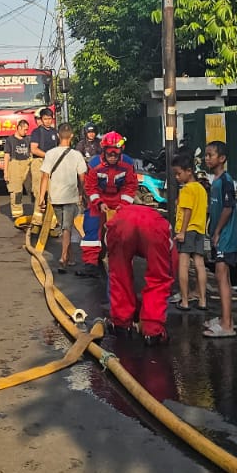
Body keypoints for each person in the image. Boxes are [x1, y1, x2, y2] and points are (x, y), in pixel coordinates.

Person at [102, 185, 173, 343]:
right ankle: (152, 331)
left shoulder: (118, 218)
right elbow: (167, 269)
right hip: (154, 228)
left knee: (119, 275)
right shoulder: (160, 221)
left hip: (121, 225)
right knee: (159, 278)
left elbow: (114, 260)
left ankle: (121, 324)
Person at [79, 131, 137, 275]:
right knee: (91, 227)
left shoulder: (128, 164)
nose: (112, 157)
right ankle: (90, 263)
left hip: (119, 200)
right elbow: (90, 187)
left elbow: (130, 186)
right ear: (103, 151)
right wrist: (98, 202)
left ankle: (122, 261)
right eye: (109, 154)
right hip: (99, 200)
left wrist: (123, 205)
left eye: (115, 154)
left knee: (123, 231)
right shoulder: (94, 164)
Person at [38, 126, 87, 274]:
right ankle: (65, 257)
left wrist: (41, 198)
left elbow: (44, 177)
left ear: (58, 136)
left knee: (65, 227)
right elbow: (82, 177)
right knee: (67, 227)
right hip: (70, 196)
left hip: (55, 197)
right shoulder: (77, 155)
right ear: (71, 136)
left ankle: (67, 257)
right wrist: (82, 194)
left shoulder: (50, 154)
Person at [203, 141, 237, 340]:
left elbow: (228, 207)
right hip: (219, 234)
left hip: (225, 235)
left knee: (222, 275)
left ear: (222, 158)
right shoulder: (216, 180)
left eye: (211, 155)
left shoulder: (226, 180)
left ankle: (227, 325)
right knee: (221, 277)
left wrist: (216, 231)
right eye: (206, 155)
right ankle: (227, 318)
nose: (207, 158)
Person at [171, 154, 209, 316]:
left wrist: (182, 232)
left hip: (187, 230)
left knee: (184, 265)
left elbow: (187, 211)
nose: (177, 177)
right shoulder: (201, 189)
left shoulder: (187, 189)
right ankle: (202, 300)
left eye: (179, 173)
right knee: (200, 264)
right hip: (200, 230)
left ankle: (185, 301)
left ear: (189, 171)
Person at [26, 109, 58, 223]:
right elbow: (34, 149)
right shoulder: (37, 132)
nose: (48, 121)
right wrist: (48, 155)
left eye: (49, 119)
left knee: (53, 192)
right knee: (39, 192)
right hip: (39, 162)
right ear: (41, 119)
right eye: (45, 119)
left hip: (52, 164)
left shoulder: (55, 132)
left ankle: (52, 223)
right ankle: (37, 222)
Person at [3, 119, 33, 222]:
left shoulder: (28, 139)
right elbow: (6, 156)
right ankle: (17, 215)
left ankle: (37, 211)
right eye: (25, 129)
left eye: (27, 130)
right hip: (14, 165)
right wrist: (5, 172)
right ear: (19, 127)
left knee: (33, 190)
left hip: (27, 165)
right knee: (16, 192)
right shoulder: (10, 140)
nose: (26, 132)